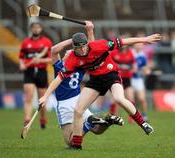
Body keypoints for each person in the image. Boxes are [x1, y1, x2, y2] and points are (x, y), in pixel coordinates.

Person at [39, 21, 161, 149]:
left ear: (87, 44)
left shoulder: (100, 45)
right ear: (74, 49)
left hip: (111, 75)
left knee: (119, 99)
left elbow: (124, 41)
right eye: (79, 48)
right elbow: (58, 78)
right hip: (95, 80)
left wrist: (145, 39)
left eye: (84, 46)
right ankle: (76, 146)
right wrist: (46, 96)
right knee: (78, 110)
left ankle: (143, 124)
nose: (82, 50)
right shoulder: (73, 59)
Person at [50, 21, 124, 147]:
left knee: (70, 142)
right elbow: (91, 49)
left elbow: (54, 49)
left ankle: (90, 122)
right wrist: (78, 39)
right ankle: (106, 121)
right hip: (79, 100)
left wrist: (75, 41)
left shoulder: (60, 65)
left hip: (65, 103)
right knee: (96, 131)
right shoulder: (81, 65)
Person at [19, 22, 52, 128]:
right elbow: (21, 57)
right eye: (34, 28)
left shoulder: (47, 42)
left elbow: (51, 59)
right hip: (29, 71)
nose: (36, 29)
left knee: (41, 99)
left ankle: (42, 118)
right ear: (31, 29)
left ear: (41, 29)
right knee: (28, 96)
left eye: (38, 27)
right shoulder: (25, 42)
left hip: (42, 72)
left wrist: (40, 60)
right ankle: (27, 120)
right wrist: (21, 65)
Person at [109, 46, 137, 121]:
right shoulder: (114, 52)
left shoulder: (130, 52)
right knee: (115, 99)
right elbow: (109, 63)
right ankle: (112, 116)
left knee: (131, 98)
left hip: (127, 78)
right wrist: (120, 66)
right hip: (117, 78)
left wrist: (132, 69)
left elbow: (134, 66)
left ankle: (132, 117)